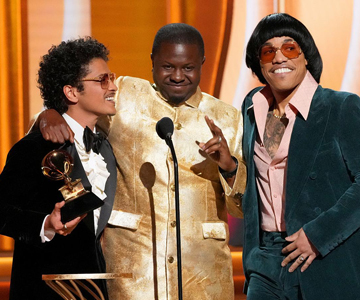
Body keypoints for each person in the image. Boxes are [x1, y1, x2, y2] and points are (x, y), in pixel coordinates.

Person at [35, 23, 246, 299]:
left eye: (189, 68)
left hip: (202, 273)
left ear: (202, 63)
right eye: (167, 67)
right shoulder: (124, 96)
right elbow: (74, 110)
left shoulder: (228, 118)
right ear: (152, 61)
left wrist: (229, 168)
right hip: (134, 269)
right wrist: (49, 114)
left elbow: (242, 209)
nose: (178, 76)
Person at [238, 13, 360, 300]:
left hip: (323, 255)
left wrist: (317, 236)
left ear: (306, 56)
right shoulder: (251, 109)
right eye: (268, 51)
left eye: (289, 48)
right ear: (259, 64)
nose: (279, 58)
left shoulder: (340, 107)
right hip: (265, 259)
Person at [0, 37, 118, 300]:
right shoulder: (33, 147)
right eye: (102, 80)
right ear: (72, 92)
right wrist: (45, 225)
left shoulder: (108, 147)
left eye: (111, 77)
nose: (113, 86)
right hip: (44, 291)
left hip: (92, 290)